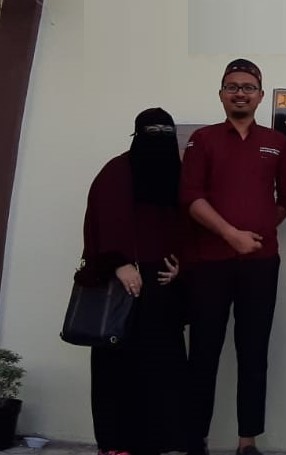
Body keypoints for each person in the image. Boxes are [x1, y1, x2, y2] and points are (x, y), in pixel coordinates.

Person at [180, 58, 286, 455]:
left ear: (261, 96)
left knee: (253, 351)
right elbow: (191, 197)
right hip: (209, 263)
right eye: (232, 86)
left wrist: (259, 230)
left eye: (248, 87)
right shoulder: (203, 139)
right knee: (203, 351)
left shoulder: (276, 142)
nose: (240, 93)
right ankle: (195, 438)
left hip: (260, 265)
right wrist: (231, 234)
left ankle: (247, 441)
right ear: (221, 94)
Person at [78, 107, 187, 455]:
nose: (159, 142)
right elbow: (103, 219)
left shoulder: (177, 173)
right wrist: (119, 263)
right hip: (122, 285)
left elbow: (188, 225)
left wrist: (182, 265)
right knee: (116, 366)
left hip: (163, 287)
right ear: (137, 136)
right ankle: (114, 444)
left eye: (166, 134)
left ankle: (156, 443)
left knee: (161, 367)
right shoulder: (116, 172)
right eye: (152, 134)